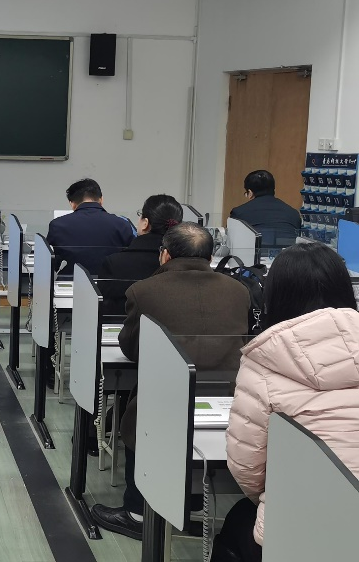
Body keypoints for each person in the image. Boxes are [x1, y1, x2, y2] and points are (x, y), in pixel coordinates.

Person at [91, 222, 250, 541]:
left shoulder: (144, 291)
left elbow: (131, 347)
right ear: (210, 257)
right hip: (226, 396)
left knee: (136, 414)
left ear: (164, 255)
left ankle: (137, 512)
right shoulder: (239, 291)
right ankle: (192, 506)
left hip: (167, 396)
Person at [213, 243, 359, 562]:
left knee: (239, 520)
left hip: (304, 528)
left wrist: (275, 497)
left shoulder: (264, 358)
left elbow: (247, 468)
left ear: (274, 296)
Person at [98, 194, 184, 316]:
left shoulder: (114, 263)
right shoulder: (184, 263)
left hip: (127, 326)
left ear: (145, 223)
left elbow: (106, 311)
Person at [46, 178, 135, 277]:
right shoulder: (122, 224)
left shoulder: (57, 225)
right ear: (101, 200)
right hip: (111, 284)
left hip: (70, 283)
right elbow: (131, 258)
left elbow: (49, 260)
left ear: (72, 204)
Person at [229, 170, 301, 250]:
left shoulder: (238, 213)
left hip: (252, 257)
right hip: (287, 257)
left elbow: (231, 244)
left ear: (250, 193)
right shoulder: (293, 213)